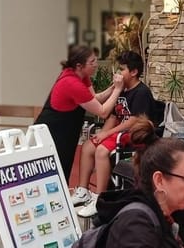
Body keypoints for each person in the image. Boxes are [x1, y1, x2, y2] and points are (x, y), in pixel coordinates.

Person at [72, 50, 157, 219]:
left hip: (135, 133)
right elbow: (114, 116)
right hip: (120, 132)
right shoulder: (122, 91)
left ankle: (100, 198)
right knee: (89, 145)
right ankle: (83, 190)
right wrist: (101, 134)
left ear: (133, 72)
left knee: (102, 150)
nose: (118, 74)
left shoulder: (141, 92)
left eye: (122, 69)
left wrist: (107, 135)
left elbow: (133, 121)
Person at [34, 45, 124, 188]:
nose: (96, 64)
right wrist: (118, 89)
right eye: (92, 62)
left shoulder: (82, 76)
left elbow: (94, 98)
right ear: (79, 66)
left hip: (67, 130)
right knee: (53, 173)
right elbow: (103, 112)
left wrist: (112, 88)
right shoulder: (71, 83)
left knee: (64, 171)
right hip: (52, 131)